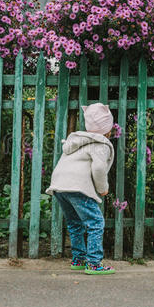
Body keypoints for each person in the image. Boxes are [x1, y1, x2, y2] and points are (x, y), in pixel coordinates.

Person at [46, 103, 116, 275]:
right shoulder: (101, 144)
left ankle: (79, 258)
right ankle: (93, 263)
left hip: (59, 186)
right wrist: (103, 188)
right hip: (77, 187)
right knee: (95, 223)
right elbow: (99, 169)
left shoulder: (76, 141)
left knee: (75, 222)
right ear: (107, 129)